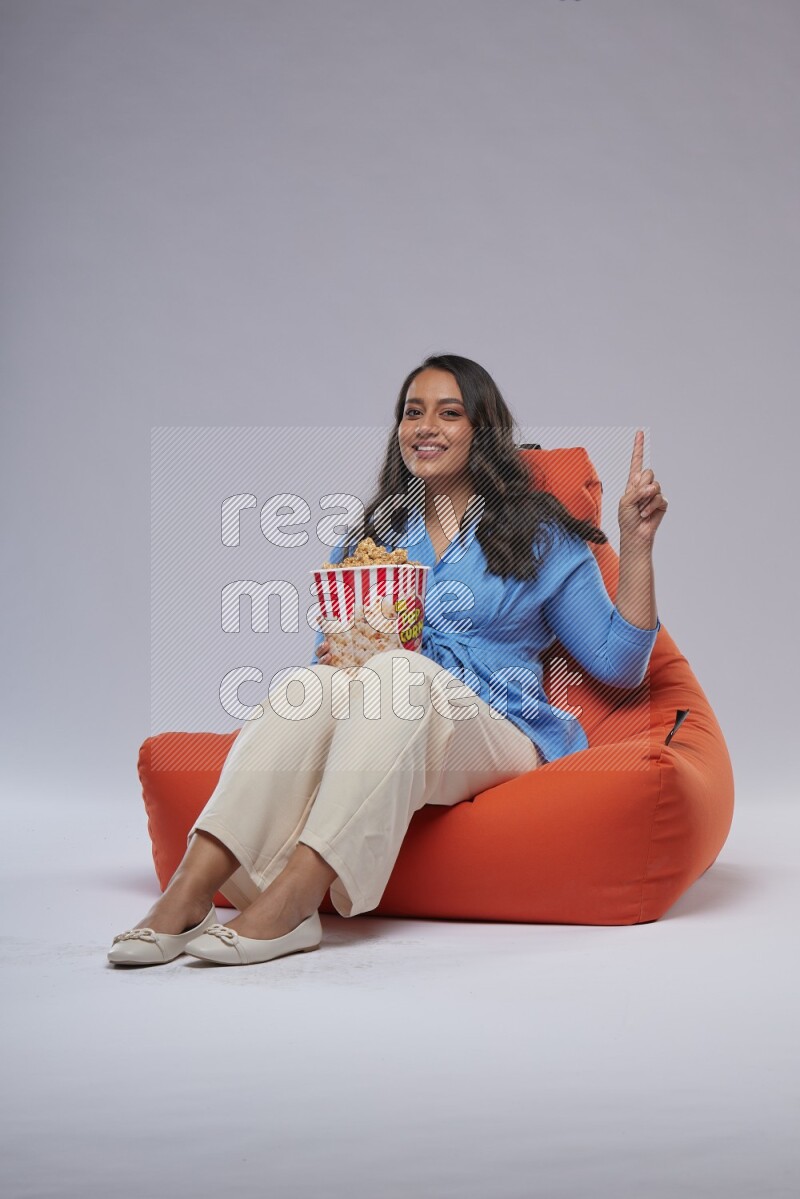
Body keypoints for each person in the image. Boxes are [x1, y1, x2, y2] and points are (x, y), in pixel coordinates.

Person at [107, 353, 667, 967]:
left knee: (398, 673)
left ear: (482, 431)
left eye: (449, 413)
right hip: (392, 725)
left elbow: (620, 663)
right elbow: (332, 679)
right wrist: (335, 657)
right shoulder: (373, 533)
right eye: (412, 412)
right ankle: (191, 887)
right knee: (312, 685)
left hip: (499, 731)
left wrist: (636, 545)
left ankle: (294, 900)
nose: (425, 426)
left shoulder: (538, 533)